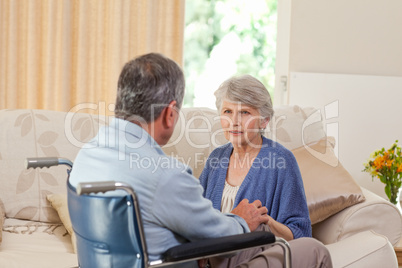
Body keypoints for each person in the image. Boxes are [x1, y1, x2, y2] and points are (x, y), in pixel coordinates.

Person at [68, 53, 269, 268]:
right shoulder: (165, 175)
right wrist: (240, 221)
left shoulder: (87, 153)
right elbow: (221, 238)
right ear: (169, 114)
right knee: (306, 248)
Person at [199, 75, 333, 267]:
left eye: (245, 113)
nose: (234, 121)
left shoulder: (281, 161)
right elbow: (195, 220)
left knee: (313, 249)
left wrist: (266, 223)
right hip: (214, 257)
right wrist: (236, 221)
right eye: (228, 111)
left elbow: (301, 234)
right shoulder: (215, 159)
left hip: (256, 256)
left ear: (264, 121)